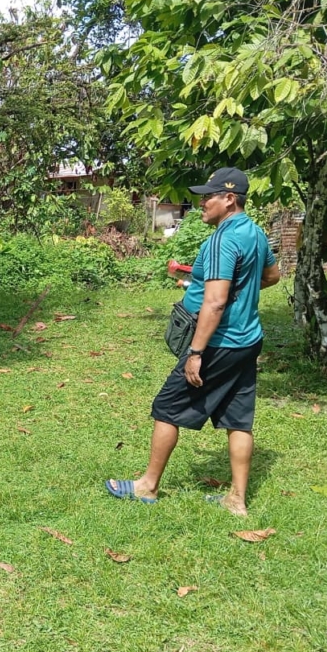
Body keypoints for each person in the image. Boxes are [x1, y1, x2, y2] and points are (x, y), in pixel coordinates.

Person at [105, 167, 281, 516]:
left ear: (229, 199)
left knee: (166, 407)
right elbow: (273, 275)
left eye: (208, 197)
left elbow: (214, 303)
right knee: (238, 418)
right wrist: (241, 289)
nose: (201, 203)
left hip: (219, 342)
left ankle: (147, 486)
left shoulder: (222, 240)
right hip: (248, 340)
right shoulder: (255, 232)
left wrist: (196, 352)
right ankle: (236, 499)